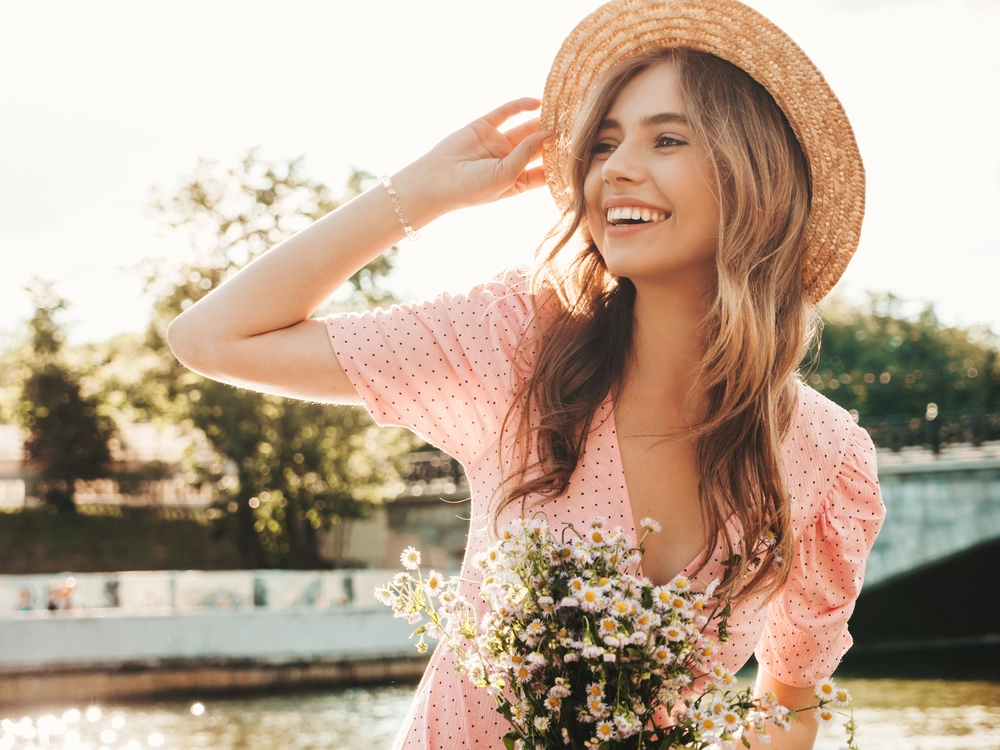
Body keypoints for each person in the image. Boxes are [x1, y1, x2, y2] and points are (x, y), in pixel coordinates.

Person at [166, 1, 885, 747]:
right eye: (604, 144)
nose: (617, 168)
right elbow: (213, 337)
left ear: (754, 178)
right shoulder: (521, 343)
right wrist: (420, 193)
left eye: (666, 138)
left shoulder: (828, 461)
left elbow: (787, 704)